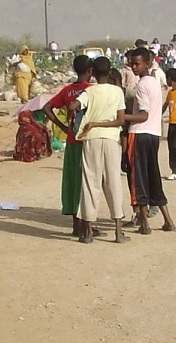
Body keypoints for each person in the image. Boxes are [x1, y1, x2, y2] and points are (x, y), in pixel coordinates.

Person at [68, 56, 127, 244]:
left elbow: (73, 105)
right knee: (113, 183)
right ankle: (118, 232)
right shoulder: (117, 92)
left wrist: (74, 118)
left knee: (90, 183)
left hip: (91, 139)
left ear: (92, 72)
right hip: (110, 139)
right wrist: (102, 123)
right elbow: (121, 120)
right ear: (110, 72)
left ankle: (88, 233)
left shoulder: (90, 91)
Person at [123, 47, 176, 234]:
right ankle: (168, 220)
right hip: (153, 134)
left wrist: (123, 117)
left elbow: (143, 115)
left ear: (147, 63)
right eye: (132, 63)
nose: (134, 67)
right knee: (153, 176)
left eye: (137, 64)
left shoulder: (142, 86)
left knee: (138, 180)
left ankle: (144, 223)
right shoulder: (154, 83)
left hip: (139, 133)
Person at [43, 55, 94, 236]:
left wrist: (63, 126)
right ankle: (86, 226)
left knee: (72, 182)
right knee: (87, 183)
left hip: (72, 141)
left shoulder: (67, 91)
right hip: (88, 142)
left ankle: (75, 223)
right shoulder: (92, 90)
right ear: (90, 71)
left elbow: (47, 108)